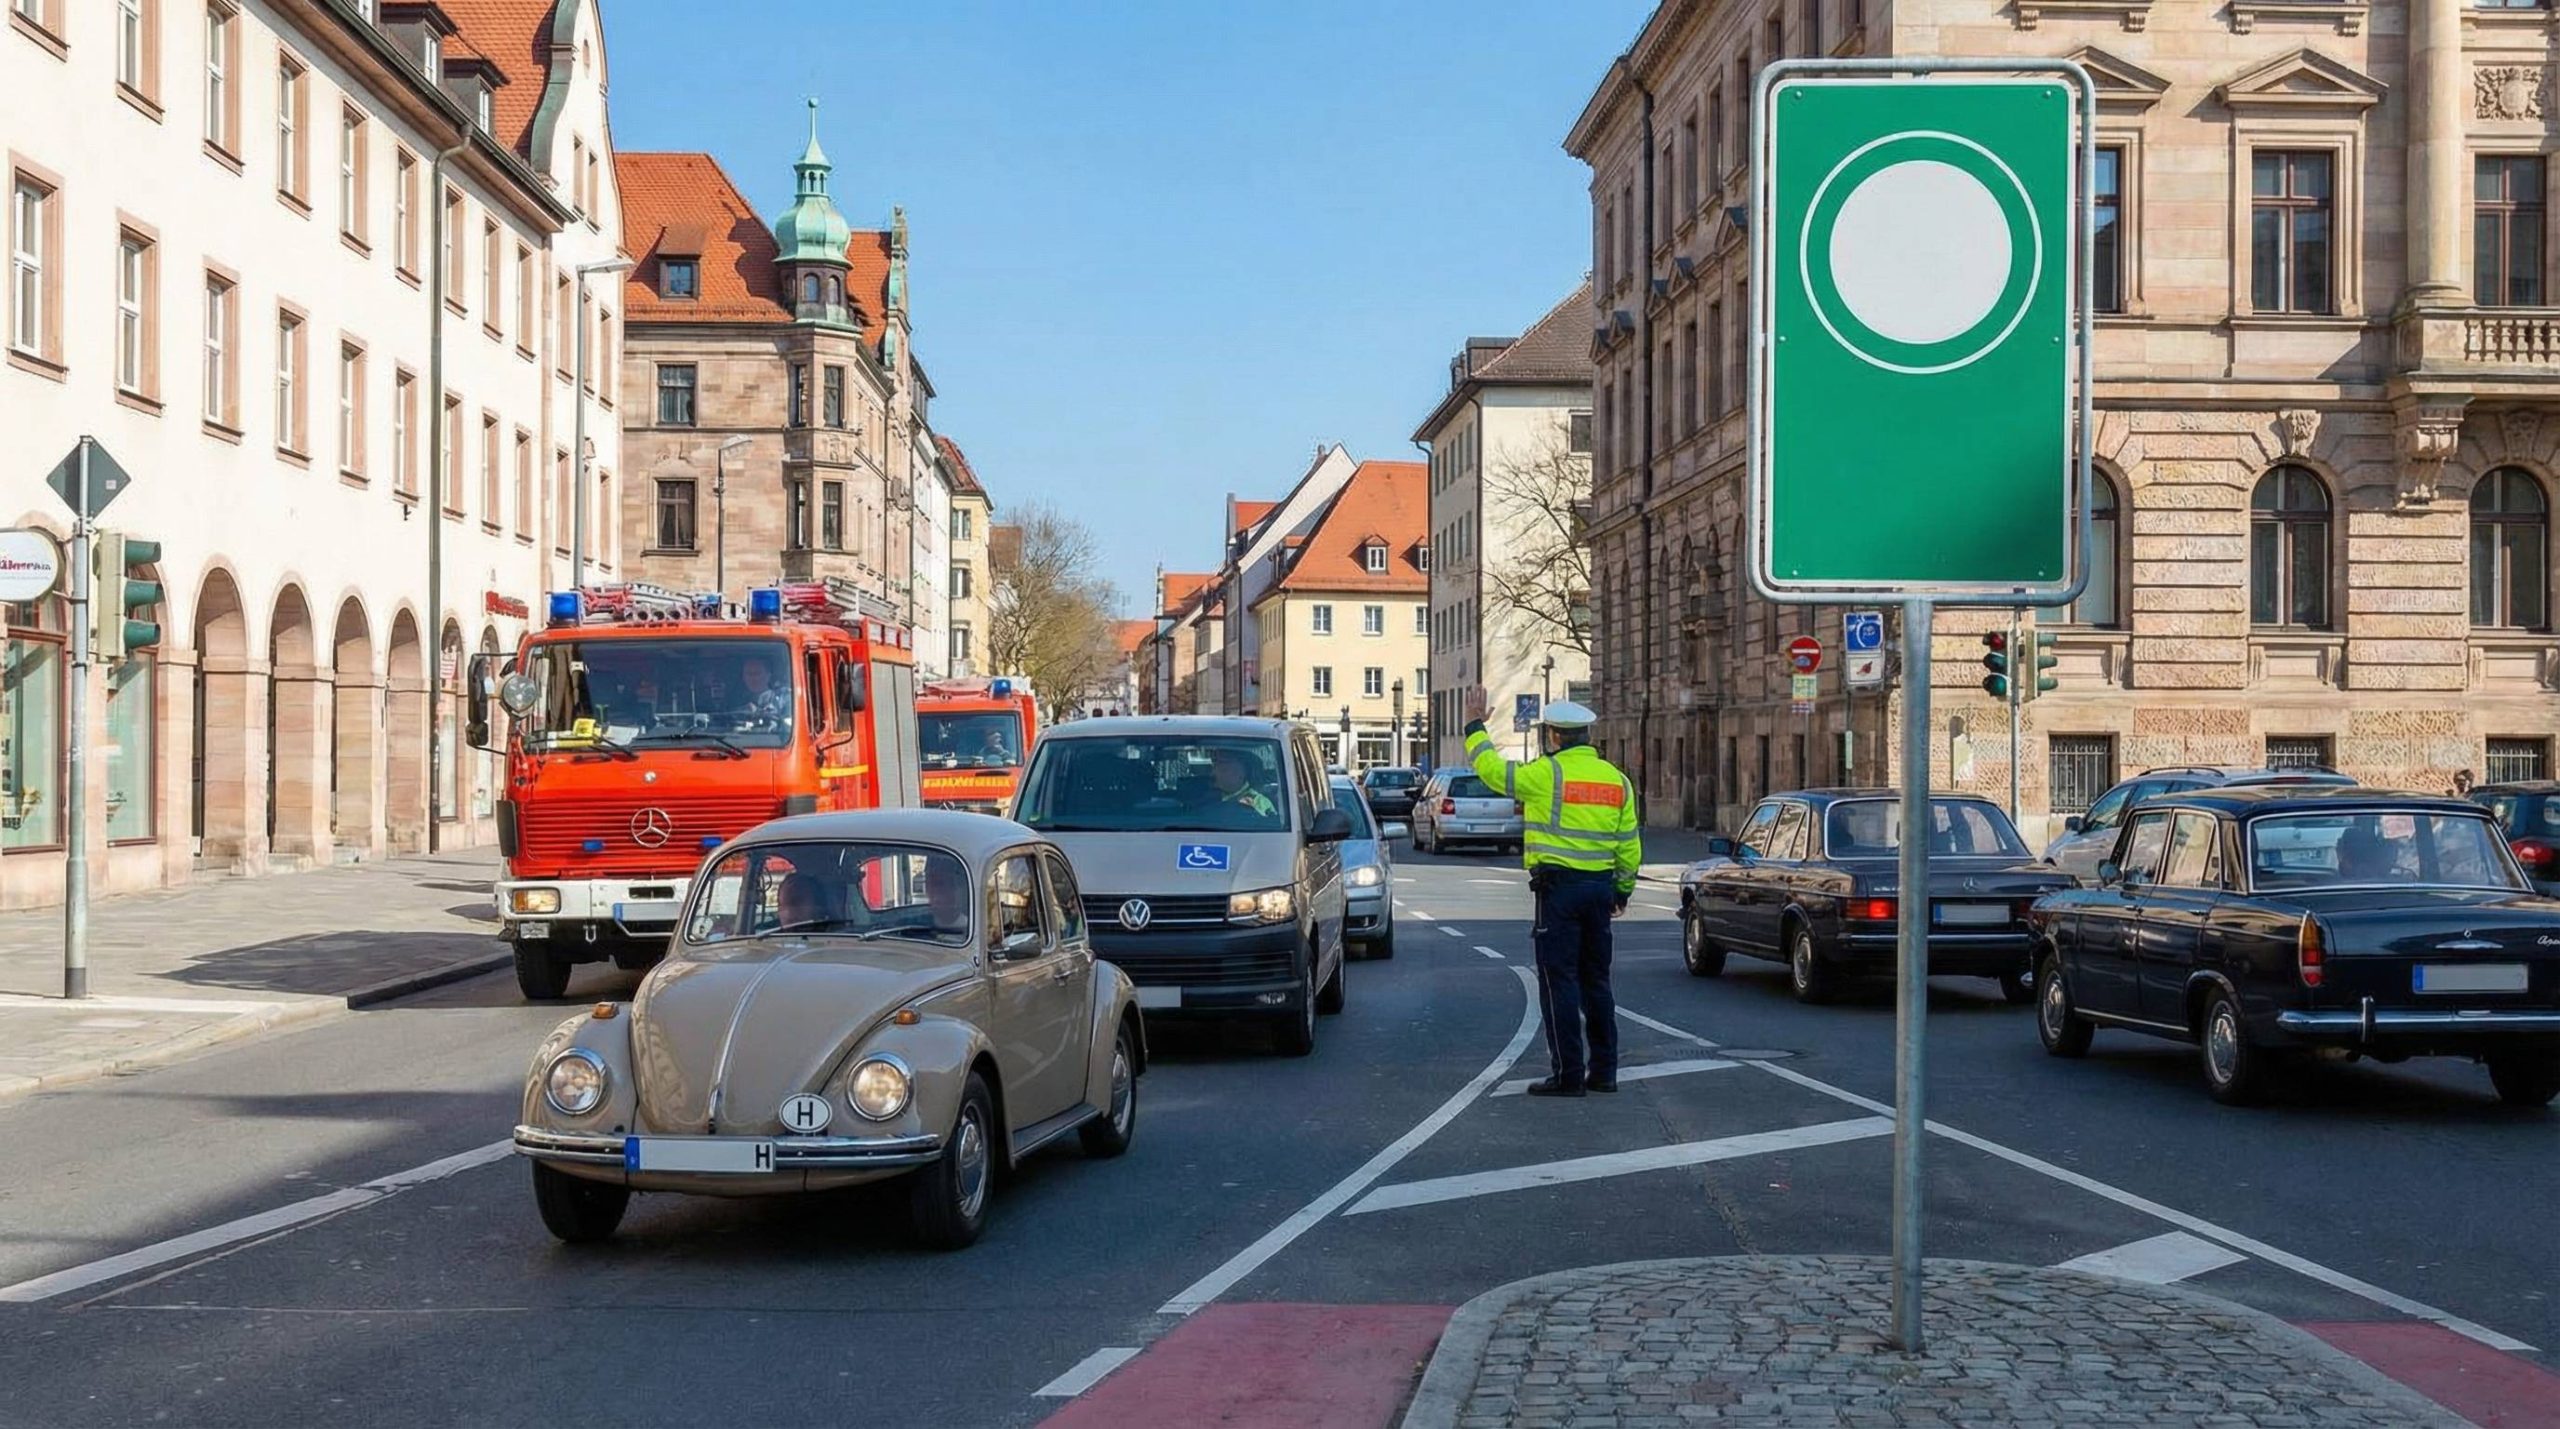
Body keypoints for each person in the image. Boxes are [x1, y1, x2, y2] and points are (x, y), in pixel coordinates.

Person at [1464, 701, 1641, 1098]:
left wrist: (1475, 725)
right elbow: (1629, 845)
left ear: (1555, 736)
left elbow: (1493, 772)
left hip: (1559, 892)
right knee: (1597, 981)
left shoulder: (1547, 773)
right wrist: (1623, 890)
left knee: (1558, 981)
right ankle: (1605, 1072)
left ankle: (1568, 1075)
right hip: (1600, 891)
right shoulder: (1617, 780)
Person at [1209, 747, 1278, 819]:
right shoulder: (1205, 796)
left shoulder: (1259, 803)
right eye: (1214, 765)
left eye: (1223, 768)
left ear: (1241, 772)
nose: (1213, 773)